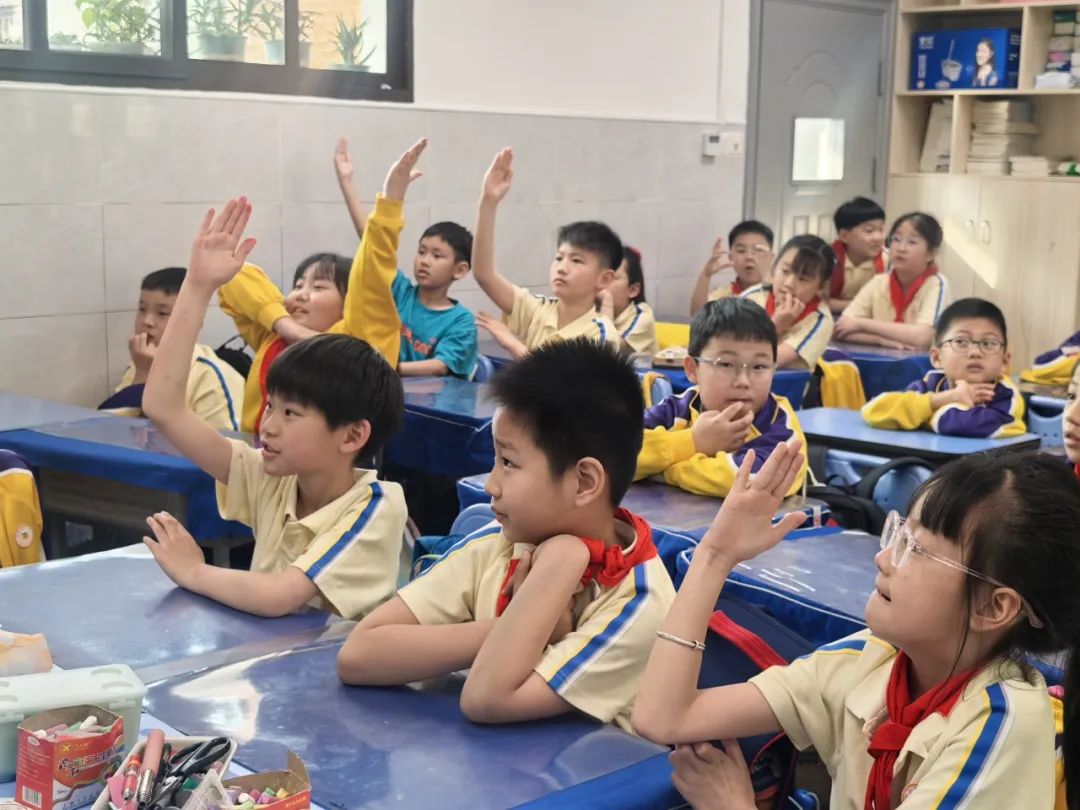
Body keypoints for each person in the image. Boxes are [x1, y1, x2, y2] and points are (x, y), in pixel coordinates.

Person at [634, 444, 1076, 810]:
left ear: (993, 607)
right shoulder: (869, 662)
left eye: (917, 550)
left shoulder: (1004, 724)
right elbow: (665, 717)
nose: (883, 558)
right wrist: (715, 555)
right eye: (899, 533)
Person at [337, 338, 676, 731]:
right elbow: (359, 654)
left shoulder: (639, 602)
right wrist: (529, 628)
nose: (490, 484)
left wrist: (561, 563)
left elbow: (487, 699)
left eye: (509, 463)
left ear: (584, 481)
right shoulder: (501, 542)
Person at [141, 197, 407, 620]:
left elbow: (281, 596)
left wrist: (194, 571)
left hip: (336, 662)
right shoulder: (274, 476)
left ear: (353, 435)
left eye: (290, 414)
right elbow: (163, 407)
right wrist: (197, 286)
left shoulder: (376, 505)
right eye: (271, 407)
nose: (268, 426)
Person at [217, 141, 419, 432]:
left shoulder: (360, 344)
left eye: (319, 287)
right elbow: (234, 276)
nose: (301, 294)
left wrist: (390, 203)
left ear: (349, 304)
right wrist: (285, 325)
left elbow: (372, 276)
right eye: (299, 285)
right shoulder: (273, 338)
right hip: (260, 454)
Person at [334, 137, 478, 378]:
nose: (425, 260)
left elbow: (440, 366)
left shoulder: (461, 321)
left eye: (437, 255)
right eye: (421, 251)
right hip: (382, 385)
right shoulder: (399, 291)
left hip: (424, 397)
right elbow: (372, 245)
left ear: (460, 269)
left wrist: (383, 368)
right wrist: (346, 183)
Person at [634, 298, 807, 498]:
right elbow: (615, 451)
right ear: (692, 369)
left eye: (759, 366)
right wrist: (693, 441)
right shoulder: (676, 409)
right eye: (726, 364)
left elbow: (747, 480)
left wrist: (660, 469)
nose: (743, 381)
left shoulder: (780, 426)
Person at [472, 148, 620, 358]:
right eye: (559, 258)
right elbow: (484, 274)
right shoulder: (538, 309)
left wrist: (513, 345)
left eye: (577, 260)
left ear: (604, 279)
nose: (562, 268)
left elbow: (562, 380)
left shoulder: (602, 335)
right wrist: (488, 202)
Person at [99, 267, 244, 431]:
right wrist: (141, 375)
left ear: (195, 320)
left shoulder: (210, 376)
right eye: (142, 309)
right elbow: (109, 429)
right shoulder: (141, 363)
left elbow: (228, 444)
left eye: (162, 313)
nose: (147, 321)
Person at [862, 298, 1025, 437]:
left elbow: (957, 424)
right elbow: (874, 410)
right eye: (961, 342)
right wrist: (947, 397)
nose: (975, 352)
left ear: (1004, 361)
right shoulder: (932, 384)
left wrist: (923, 413)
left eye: (988, 343)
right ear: (936, 357)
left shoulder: (1006, 397)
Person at [834, 212, 949, 350]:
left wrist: (860, 324)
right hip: (877, 358)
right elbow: (842, 328)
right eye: (896, 239)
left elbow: (922, 338)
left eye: (912, 242)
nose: (901, 248)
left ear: (931, 254)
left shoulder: (936, 284)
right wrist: (879, 340)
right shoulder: (879, 281)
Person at [741, 234, 835, 370]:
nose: (789, 284)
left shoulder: (820, 320)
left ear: (820, 286)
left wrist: (775, 327)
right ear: (774, 267)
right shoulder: (753, 296)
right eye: (785, 271)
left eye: (803, 279)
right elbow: (724, 349)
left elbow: (761, 364)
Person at [689, 222, 775, 316]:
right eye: (741, 251)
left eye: (758, 250)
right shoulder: (723, 295)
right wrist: (706, 275)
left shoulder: (781, 294)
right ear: (730, 257)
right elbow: (698, 317)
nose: (749, 257)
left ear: (771, 257)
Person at [828, 197, 887, 316]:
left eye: (881, 230)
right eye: (869, 231)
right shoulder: (828, 261)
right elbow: (818, 301)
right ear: (845, 236)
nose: (878, 237)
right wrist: (859, 306)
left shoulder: (887, 261)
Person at [598, 245, 659, 355]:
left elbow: (607, 349)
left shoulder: (642, 316)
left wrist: (607, 301)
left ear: (633, 290)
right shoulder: (592, 310)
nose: (602, 282)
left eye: (612, 277)